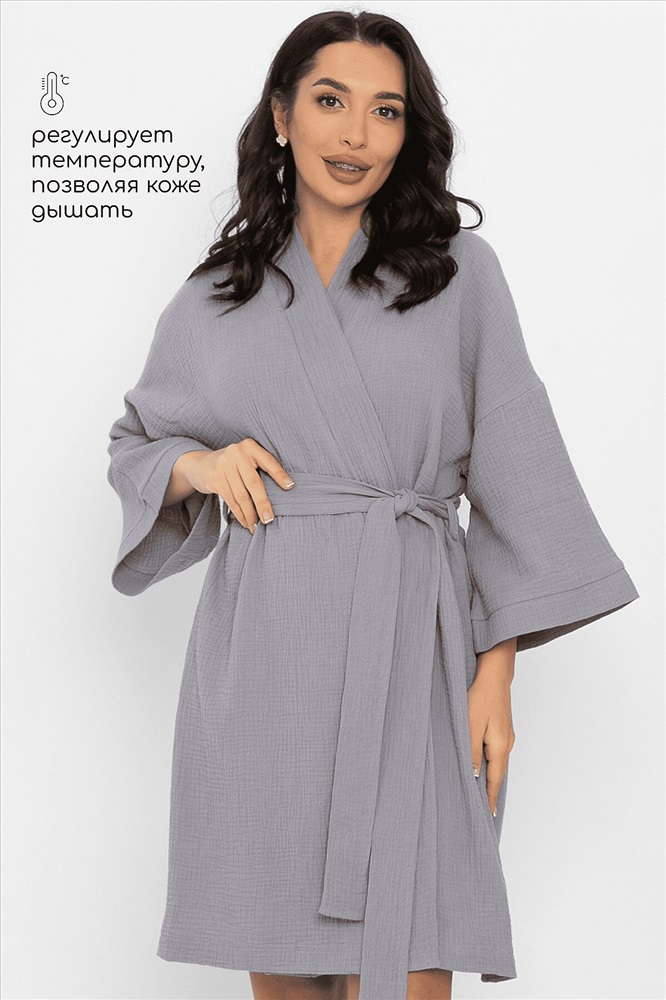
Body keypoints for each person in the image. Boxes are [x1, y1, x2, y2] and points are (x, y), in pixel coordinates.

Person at [106, 10, 640, 1000]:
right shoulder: (219, 295)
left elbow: (517, 473)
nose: (356, 135)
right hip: (265, 665)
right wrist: (202, 466)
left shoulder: (458, 274)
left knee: (410, 957)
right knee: (282, 962)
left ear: (408, 131)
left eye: (385, 111)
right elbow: (139, 442)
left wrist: (495, 673)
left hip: (414, 658)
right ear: (281, 117)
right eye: (330, 101)